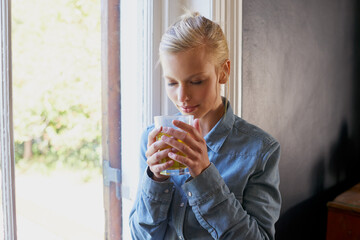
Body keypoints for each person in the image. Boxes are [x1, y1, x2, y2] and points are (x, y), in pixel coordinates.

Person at [129, 11, 281, 240]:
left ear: (224, 72)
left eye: (196, 81)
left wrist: (204, 176)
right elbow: (140, 236)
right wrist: (156, 180)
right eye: (171, 83)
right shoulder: (151, 140)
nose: (182, 97)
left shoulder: (260, 151)